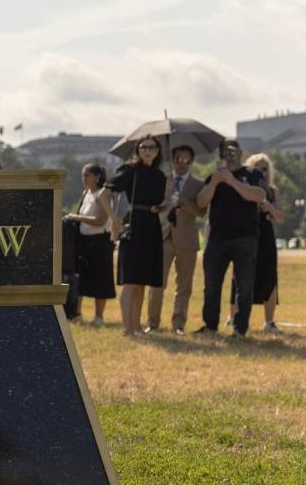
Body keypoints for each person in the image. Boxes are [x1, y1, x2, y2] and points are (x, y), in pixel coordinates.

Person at [195, 139, 267, 337]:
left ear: (241, 153)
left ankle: (239, 329)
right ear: (221, 156)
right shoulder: (213, 177)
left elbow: (259, 195)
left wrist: (233, 182)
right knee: (211, 285)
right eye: (225, 152)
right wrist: (216, 182)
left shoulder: (252, 174)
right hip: (218, 240)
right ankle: (210, 326)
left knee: (244, 287)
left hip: (245, 239)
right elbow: (201, 202)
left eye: (233, 151)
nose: (229, 155)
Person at [99, 136, 168, 336]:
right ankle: (127, 328)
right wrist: (113, 218)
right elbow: (104, 194)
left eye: (151, 147)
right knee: (130, 281)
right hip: (134, 225)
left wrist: (169, 202)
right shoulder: (129, 171)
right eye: (143, 147)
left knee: (142, 281)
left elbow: (158, 205)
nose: (147, 151)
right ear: (137, 150)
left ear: (157, 151)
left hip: (152, 226)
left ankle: (137, 327)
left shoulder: (160, 176)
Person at [145, 145, 205, 334]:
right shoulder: (163, 181)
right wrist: (164, 204)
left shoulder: (198, 185)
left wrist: (184, 203)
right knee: (156, 283)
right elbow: (153, 207)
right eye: (178, 159)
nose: (182, 163)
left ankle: (178, 324)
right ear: (172, 160)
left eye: (186, 160)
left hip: (187, 239)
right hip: (163, 236)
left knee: (184, 286)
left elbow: (201, 212)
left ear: (191, 162)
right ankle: (152, 323)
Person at [227, 153, 285, 332]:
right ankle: (233, 316)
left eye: (265, 168)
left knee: (269, 276)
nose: (262, 171)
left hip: (266, 236)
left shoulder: (273, 191)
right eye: (258, 167)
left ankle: (269, 321)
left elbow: (281, 217)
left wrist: (269, 206)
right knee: (240, 275)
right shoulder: (243, 186)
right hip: (246, 233)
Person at [65, 163, 114, 324]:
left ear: (97, 177)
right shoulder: (86, 193)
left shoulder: (102, 194)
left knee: (101, 277)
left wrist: (77, 217)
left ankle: (98, 316)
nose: (83, 178)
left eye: (87, 175)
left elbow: (101, 220)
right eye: (83, 175)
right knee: (82, 278)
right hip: (84, 241)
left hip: (100, 241)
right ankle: (77, 313)